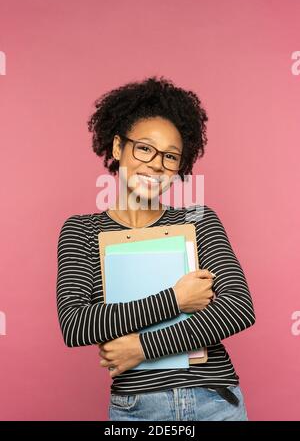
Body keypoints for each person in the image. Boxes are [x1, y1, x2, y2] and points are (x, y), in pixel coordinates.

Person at [56, 76, 256, 421]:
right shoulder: (82, 230)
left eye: (170, 156)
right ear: (118, 147)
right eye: (145, 148)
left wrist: (142, 348)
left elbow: (237, 309)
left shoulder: (199, 219)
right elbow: (76, 324)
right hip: (137, 408)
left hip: (215, 400)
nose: (156, 164)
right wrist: (176, 299)